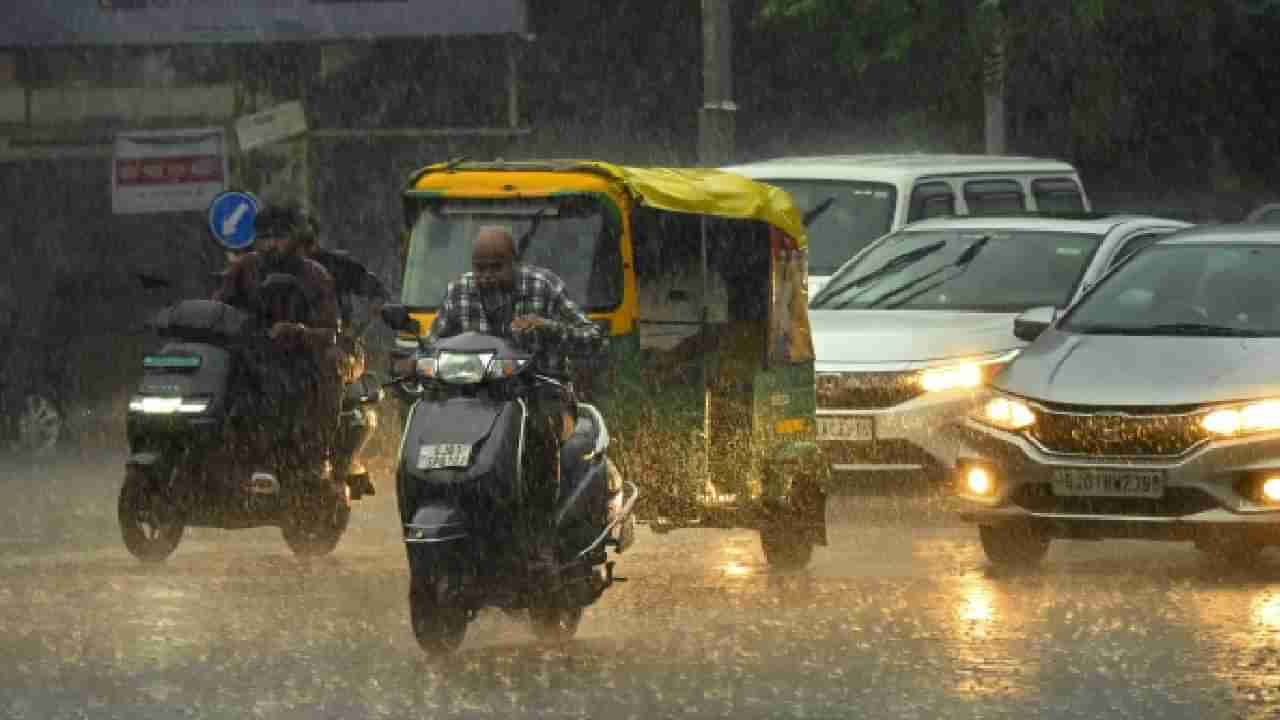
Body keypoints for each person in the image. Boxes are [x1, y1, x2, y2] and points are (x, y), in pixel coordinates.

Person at [407, 225, 602, 572]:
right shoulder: (460, 292)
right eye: (480, 267)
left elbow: (593, 337)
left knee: (538, 435)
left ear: (515, 263)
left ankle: (541, 538)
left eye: (496, 266)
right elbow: (432, 343)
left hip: (543, 395)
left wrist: (548, 327)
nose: (486, 276)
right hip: (472, 402)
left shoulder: (545, 287)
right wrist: (412, 359)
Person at [213, 205, 342, 468]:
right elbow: (217, 310)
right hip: (250, 357)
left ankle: (320, 452)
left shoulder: (315, 275)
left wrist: (297, 332)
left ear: (295, 239)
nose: (271, 244)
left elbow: (330, 331)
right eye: (264, 237)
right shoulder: (243, 269)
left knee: (332, 363)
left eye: (279, 237)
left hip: (301, 361)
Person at [296, 217, 391, 498]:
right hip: (285, 349)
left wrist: (355, 331)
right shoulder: (260, 269)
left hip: (336, 348)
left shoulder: (335, 266)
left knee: (330, 368)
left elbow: (378, 294)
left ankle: (323, 452)